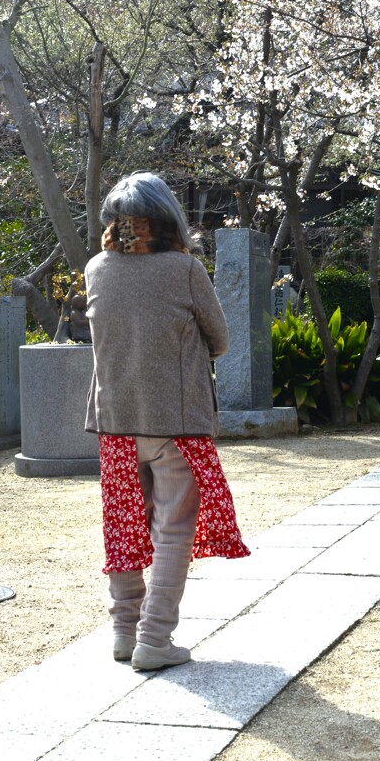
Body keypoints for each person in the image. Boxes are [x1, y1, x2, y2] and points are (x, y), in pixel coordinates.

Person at [84, 171, 250, 671]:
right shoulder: (185, 269)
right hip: (176, 423)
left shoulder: (96, 268)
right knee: (173, 530)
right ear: (167, 219)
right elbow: (219, 341)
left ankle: (123, 631)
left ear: (113, 222)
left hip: (115, 421)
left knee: (124, 524)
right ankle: (155, 640)